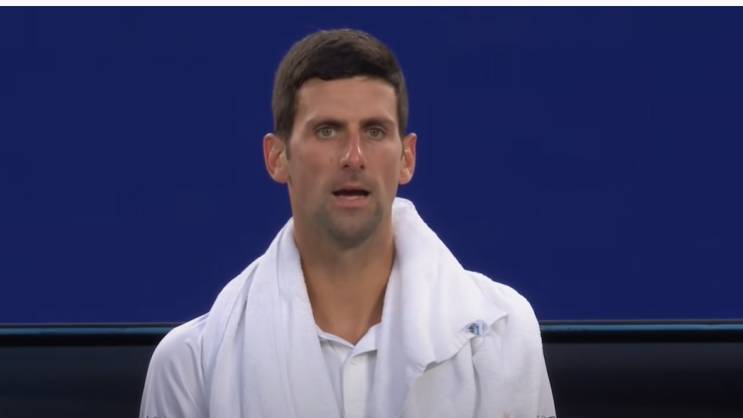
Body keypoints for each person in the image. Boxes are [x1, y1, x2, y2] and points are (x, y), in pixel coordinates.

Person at [140, 28, 556, 418]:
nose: (353, 157)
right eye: (327, 131)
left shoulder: (506, 336)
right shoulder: (190, 366)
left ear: (407, 158)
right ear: (277, 157)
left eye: (374, 132)